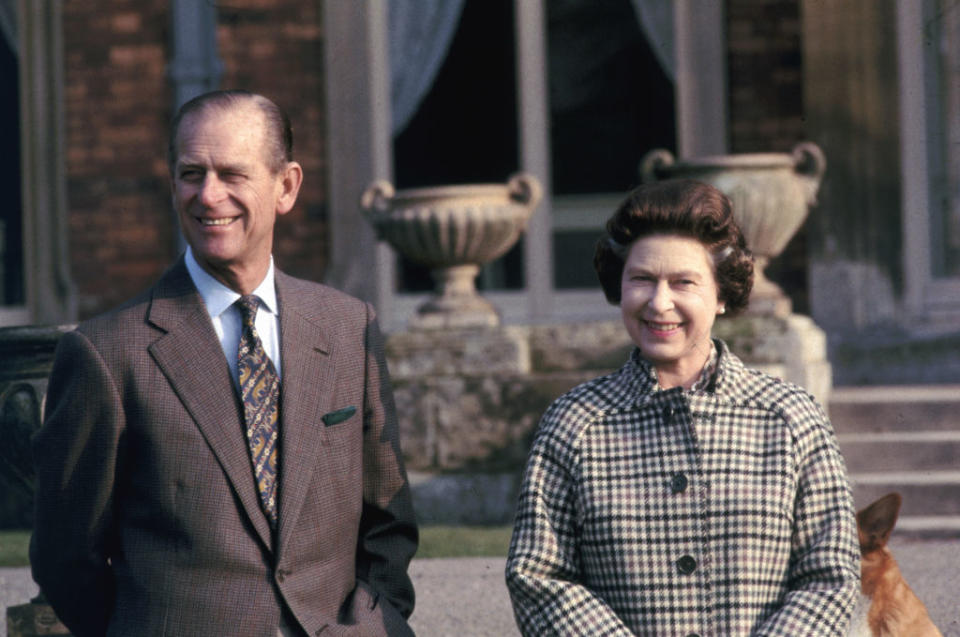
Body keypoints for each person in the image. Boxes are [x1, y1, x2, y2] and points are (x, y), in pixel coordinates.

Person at [30, 90, 418, 637]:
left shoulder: (347, 327)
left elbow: (388, 521)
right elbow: (66, 558)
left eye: (232, 174)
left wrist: (377, 624)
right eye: (192, 173)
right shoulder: (106, 354)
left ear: (286, 186)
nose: (209, 196)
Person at [505, 179, 860, 635]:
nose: (659, 303)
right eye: (642, 280)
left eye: (683, 282)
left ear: (722, 293)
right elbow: (538, 575)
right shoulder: (574, 424)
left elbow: (830, 575)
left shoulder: (791, 418)